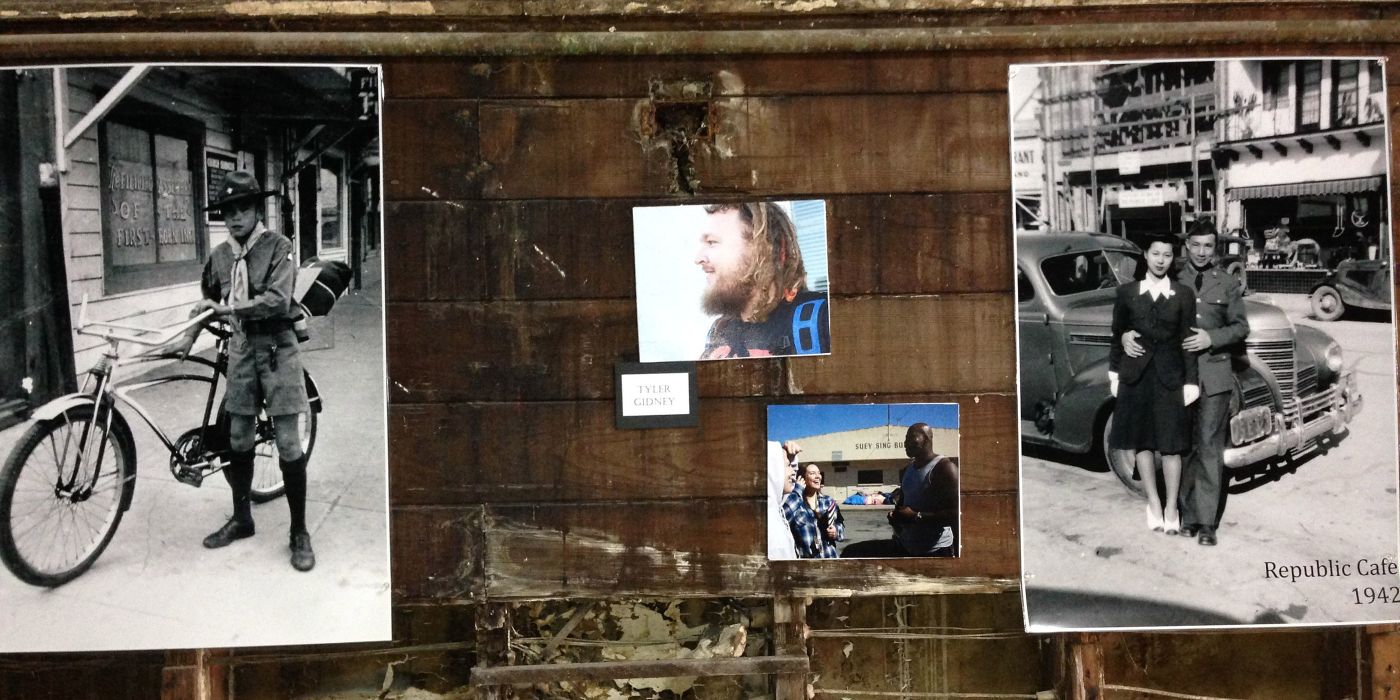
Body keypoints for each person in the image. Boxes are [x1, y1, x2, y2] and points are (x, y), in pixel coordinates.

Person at [179, 170, 315, 572]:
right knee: (237, 435)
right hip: (240, 350)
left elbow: (277, 300)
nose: (235, 217)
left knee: (289, 442)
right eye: (227, 211)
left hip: (278, 349)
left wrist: (230, 309)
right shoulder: (220, 256)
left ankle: (299, 532)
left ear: (258, 209)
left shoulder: (279, 246)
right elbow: (208, 295)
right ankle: (242, 519)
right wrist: (193, 325)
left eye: (243, 208)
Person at [1124, 221, 1248, 546]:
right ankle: (1185, 515)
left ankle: (1205, 522)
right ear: (1187, 247)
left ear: (1215, 248)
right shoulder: (1170, 277)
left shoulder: (1227, 283)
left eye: (1208, 246)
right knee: (1181, 446)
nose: (1202, 252)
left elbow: (1240, 327)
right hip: (1175, 376)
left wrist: (1212, 337)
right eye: (1196, 245)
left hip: (1214, 376)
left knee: (1208, 447)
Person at [1110, 233, 1199, 536]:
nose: (1161, 260)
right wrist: (1115, 371)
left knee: (1172, 447)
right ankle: (1154, 504)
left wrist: (1191, 380)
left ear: (1173, 259)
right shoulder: (1126, 293)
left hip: (1170, 379)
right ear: (1145, 256)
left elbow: (1188, 339)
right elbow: (1117, 333)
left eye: (1168, 255)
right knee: (1143, 443)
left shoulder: (1183, 294)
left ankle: (1172, 507)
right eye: (1156, 253)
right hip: (1136, 378)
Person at [693, 203, 830, 359]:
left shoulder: (823, 319)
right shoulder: (720, 329)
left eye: (712, 242)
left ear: (762, 248)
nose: (698, 259)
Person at [839, 423, 959, 558]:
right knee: (852, 552)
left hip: (934, 551)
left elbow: (955, 514)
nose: (905, 443)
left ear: (926, 439)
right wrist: (896, 516)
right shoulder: (907, 470)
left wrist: (916, 516)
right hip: (904, 546)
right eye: (905, 439)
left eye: (910, 438)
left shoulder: (944, 468)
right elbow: (903, 503)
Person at [779, 463, 844, 559]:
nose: (818, 476)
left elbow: (840, 524)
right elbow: (783, 518)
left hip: (831, 559)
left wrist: (836, 531)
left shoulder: (828, 502)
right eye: (812, 473)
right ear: (802, 479)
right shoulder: (796, 502)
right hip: (808, 564)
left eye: (819, 473)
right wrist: (798, 490)